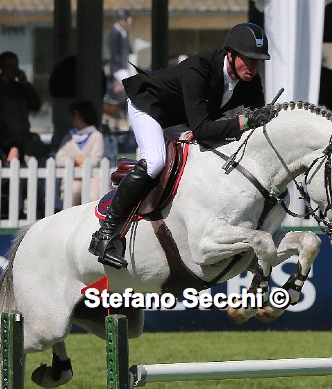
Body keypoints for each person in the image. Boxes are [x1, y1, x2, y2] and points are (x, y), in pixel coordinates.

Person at [88, 22, 274, 269]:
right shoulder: (200, 69)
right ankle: (105, 233)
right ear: (230, 54)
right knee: (156, 161)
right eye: (248, 60)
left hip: (182, 118)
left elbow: (256, 121)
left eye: (258, 62)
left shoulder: (250, 80)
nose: (253, 67)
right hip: (150, 108)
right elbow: (204, 130)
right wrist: (245, 121)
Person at [0, 51, 41, 155]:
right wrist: (4, 138)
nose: (14, 69)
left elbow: (35, 105)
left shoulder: (20, 87)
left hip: (22, 140)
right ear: (2, 67)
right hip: (4, 142)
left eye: (16, 66)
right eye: (10, 66)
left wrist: (25, 84)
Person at [54, 100, 106, 205]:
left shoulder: (96, 136)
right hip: (72, 177)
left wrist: (83, 161)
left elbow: (96, 160)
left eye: (74, 115)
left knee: (94, 197)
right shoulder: (69, 137)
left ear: (83, 116)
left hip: (92, 177)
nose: (72, 118)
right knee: (73, 191)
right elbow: (58, 159)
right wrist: (74, 160)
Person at [106, 9, 132, 103]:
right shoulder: (115, 32)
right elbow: (113, 50)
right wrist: (119, 63)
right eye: (126, 20)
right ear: (121, 20)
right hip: (118, 67)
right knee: (127, 86)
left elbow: (128, 48)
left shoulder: (124, 32)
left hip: (124, 65)